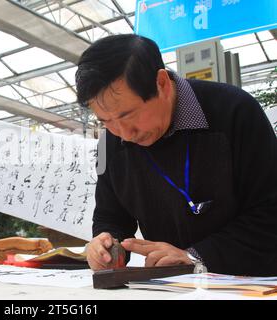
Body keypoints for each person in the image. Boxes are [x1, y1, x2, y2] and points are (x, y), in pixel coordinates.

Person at [76, 34, 277, 276]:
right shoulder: (110, 143)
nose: (124, 134)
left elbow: (269, 212)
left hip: (252, 282)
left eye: (128, 116)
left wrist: (195, 256)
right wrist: (107, 247)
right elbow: (111, 216)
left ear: (161, 82)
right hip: (172, 287)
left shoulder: (233, 110)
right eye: (105, 121)